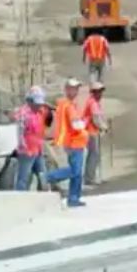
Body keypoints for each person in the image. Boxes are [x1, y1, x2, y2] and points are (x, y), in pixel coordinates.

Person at [46, 79, 89, 207]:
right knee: (75, 171)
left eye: (76, 88)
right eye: (72, 88)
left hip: (73, 143)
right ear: (67, 90)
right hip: (74, 143)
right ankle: (49, 177)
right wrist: (85, 123)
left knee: (77, 173)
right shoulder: (68, 106)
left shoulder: (66, 104)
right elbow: (75, 125)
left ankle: (73, 198)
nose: (75, 91)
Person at [13, 86, 48, 191]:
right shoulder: (23, 113)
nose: (38, 105)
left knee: (43, 177)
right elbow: (20, 131)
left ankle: (43, 199)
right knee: (23, 178)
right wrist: (22, 145)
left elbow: (40, 131)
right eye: (36, 103)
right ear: (29, 101)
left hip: (37, 150)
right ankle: (20, 200)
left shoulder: (39, 112)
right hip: (27, 151)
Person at [82, 82, 109, 186]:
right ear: (94, 92)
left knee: (93, 155)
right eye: (99, 92)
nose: (101, 94)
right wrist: (103, 127)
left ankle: (90, 177)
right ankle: (90, 178)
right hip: (91, 132)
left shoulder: (94, 102)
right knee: (94, 155)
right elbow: (96, 119)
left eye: (101, 91)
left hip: (92, 131)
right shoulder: (93, 103)